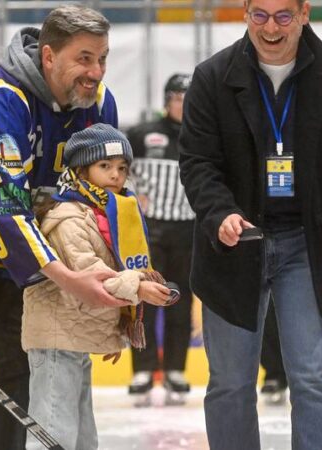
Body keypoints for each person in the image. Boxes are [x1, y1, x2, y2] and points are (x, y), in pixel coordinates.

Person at [178, 0, 322, 445]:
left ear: (305, 13)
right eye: (260, 15)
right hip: (232, 247)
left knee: (315, 379)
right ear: (245, 12)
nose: (272, 28)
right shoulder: (212, 78)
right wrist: (220, 213)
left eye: (284, 16)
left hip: (310, 248)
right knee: (230, 382)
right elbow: (197, 164)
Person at [0, 6, 121, 449]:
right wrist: (66, 277)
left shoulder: (99, 102)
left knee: (59, 364)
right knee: (15, 365)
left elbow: (106, 197)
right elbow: (7, 204)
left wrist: (117, 304)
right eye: (84, 58)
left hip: (59, 256)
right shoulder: (0, 98)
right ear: (48, 56)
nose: (96, 71)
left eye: (102, 58)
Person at [22, 124, 173, 450]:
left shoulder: (111, 213)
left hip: (74, 335)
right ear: (80, 170)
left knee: (83, 440)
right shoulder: (68, 216)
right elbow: (93, 275)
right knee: (53, 433)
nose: (115, 175)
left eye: (121, 168)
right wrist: (140, 289)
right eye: (105, 166)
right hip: (55, 339)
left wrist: (115, 326)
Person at [127, 73, 195, 405]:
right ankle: (142, 369)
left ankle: (175, 370)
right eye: (179, 97)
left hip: (187, 230)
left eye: (189, 97)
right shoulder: (142, 135)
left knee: (179, 302)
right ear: (167, 100)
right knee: (143, 300)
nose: (183, 104)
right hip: (149, 231)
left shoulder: (204, 135)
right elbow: (119, 174)